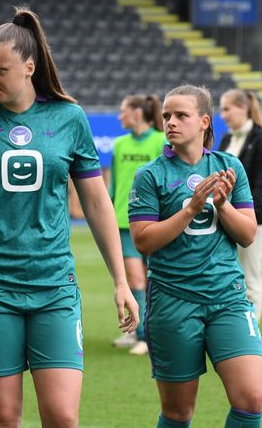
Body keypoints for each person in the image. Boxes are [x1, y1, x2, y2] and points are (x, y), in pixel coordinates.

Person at [0, 8, 138, 428]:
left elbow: (97, 204)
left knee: (61, 417)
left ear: (29, 67)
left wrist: (121, 281)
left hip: (54, 286)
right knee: (3, 418)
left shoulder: (69, 118)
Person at [129, 85, 262, 428]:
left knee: (251, 398)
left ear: (204, 121)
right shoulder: (150, 176)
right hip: (173, 302)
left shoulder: (228, 166)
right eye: (166, 116)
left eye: (180, 115)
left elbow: (248, 234)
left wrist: (222, 204)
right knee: (178, 413)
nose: (171, 122)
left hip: (227, 298)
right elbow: (144, 241)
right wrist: (190, 208)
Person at [109, 94, 166, 356]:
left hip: (155, 222)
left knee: (152, 279)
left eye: (123, 111)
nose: (120, 116)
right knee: (133, 279)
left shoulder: (160, 141)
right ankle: (137, 333)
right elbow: (115, 185)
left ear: (136, 114)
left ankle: (149, 335)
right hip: (123, 222)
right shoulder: (120, 144)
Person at [218, 89, 262, 322]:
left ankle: (251, 331)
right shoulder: (226, 139)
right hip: (223, 217)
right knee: (229, 274)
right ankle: (231, 325)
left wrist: (238, 212)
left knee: (250, 276)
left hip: (252, 218)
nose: (222, 115)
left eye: (226, 108)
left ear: (242, 108)